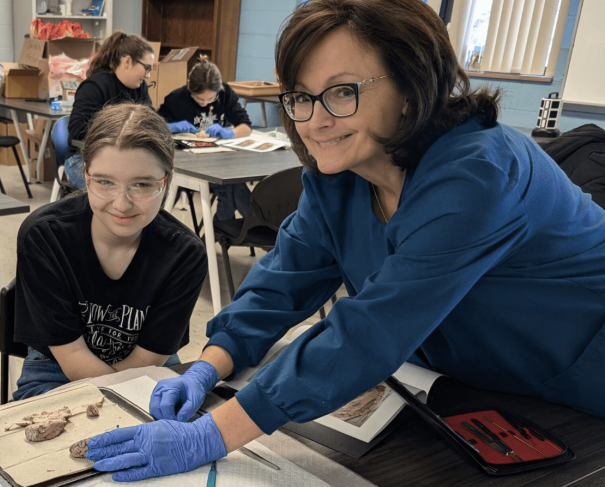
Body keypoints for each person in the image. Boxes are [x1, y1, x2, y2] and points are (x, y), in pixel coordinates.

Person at [85, 0, 605, 481]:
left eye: (342, 92)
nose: (315, 121)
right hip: (471, 384)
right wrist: (209, 363)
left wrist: (210, 435)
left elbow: (367, 333)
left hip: (577, 379)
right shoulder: (340, 176)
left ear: (411, 85)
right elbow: (281, 283)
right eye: (301, 97)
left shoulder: (479, 173)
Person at [13, 103, 207, 400]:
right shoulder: (45, 237)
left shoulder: (184, 254)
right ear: (86, 176)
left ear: (166, 181)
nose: (121, 204)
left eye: (141, 185)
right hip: (57, 371)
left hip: (146, 370)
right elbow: (72, 357)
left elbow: (148, 360)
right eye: (105, 182)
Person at [158, 56, 253, 222]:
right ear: (189, 85)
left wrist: (229, 133)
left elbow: (245, 126)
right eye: (199, 99)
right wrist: (171, 127)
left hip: (220, 161)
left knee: (233, 185)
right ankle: (252, 226)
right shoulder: (176, 99)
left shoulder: (225, 94)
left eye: (210, 99)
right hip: (187, 165)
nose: (204, 103)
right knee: (231, 187)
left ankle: (228, 230)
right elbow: (155, 127)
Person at [64, 31, 155, 188]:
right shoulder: (94, 86)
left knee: (153, 185)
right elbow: (77, 129)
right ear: (127, 61)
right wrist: (119, 134)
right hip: (83, 159)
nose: (148, 75)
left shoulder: (140, 88)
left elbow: (151, 123)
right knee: (116, 191)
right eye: (147, 68)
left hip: (126, 160)